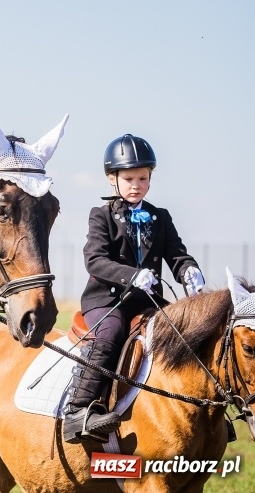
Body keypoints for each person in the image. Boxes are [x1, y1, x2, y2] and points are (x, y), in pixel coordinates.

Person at [63, 134, 205, 443]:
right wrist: (130, 274)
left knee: (187, 332)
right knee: (112, 333)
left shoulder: (161, 217)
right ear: (112, 180)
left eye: (143, 178)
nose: (136, 184)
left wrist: (189, 270)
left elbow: (176, 254)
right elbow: (95, 260)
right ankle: (79, 411)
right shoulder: (100, 216)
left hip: (147, 301)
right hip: (107, 301)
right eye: (128, 178)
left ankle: (203, 409)